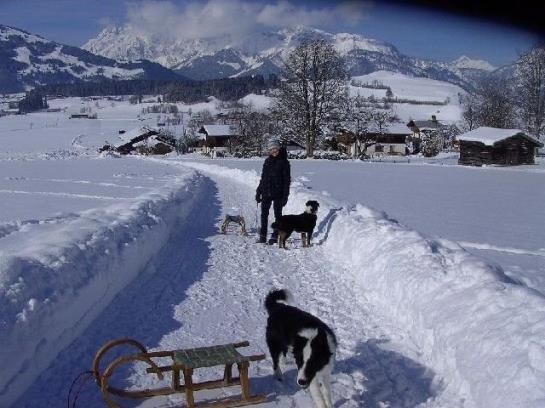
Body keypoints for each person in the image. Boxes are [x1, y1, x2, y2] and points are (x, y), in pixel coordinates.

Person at [255, 139, 291, 244]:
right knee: (264, 214)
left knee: (277, 215)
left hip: (278, 193)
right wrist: (259, 191)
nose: (273, 151)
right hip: (266, 192)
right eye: (271, 149)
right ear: (269, 151)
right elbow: (263, 178)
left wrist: (285, 196)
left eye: (275, 149)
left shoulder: (284, 162)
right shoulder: (267, 161)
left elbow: (287, 181)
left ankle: (275, 235)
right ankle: (263, 235)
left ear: (278, 149)